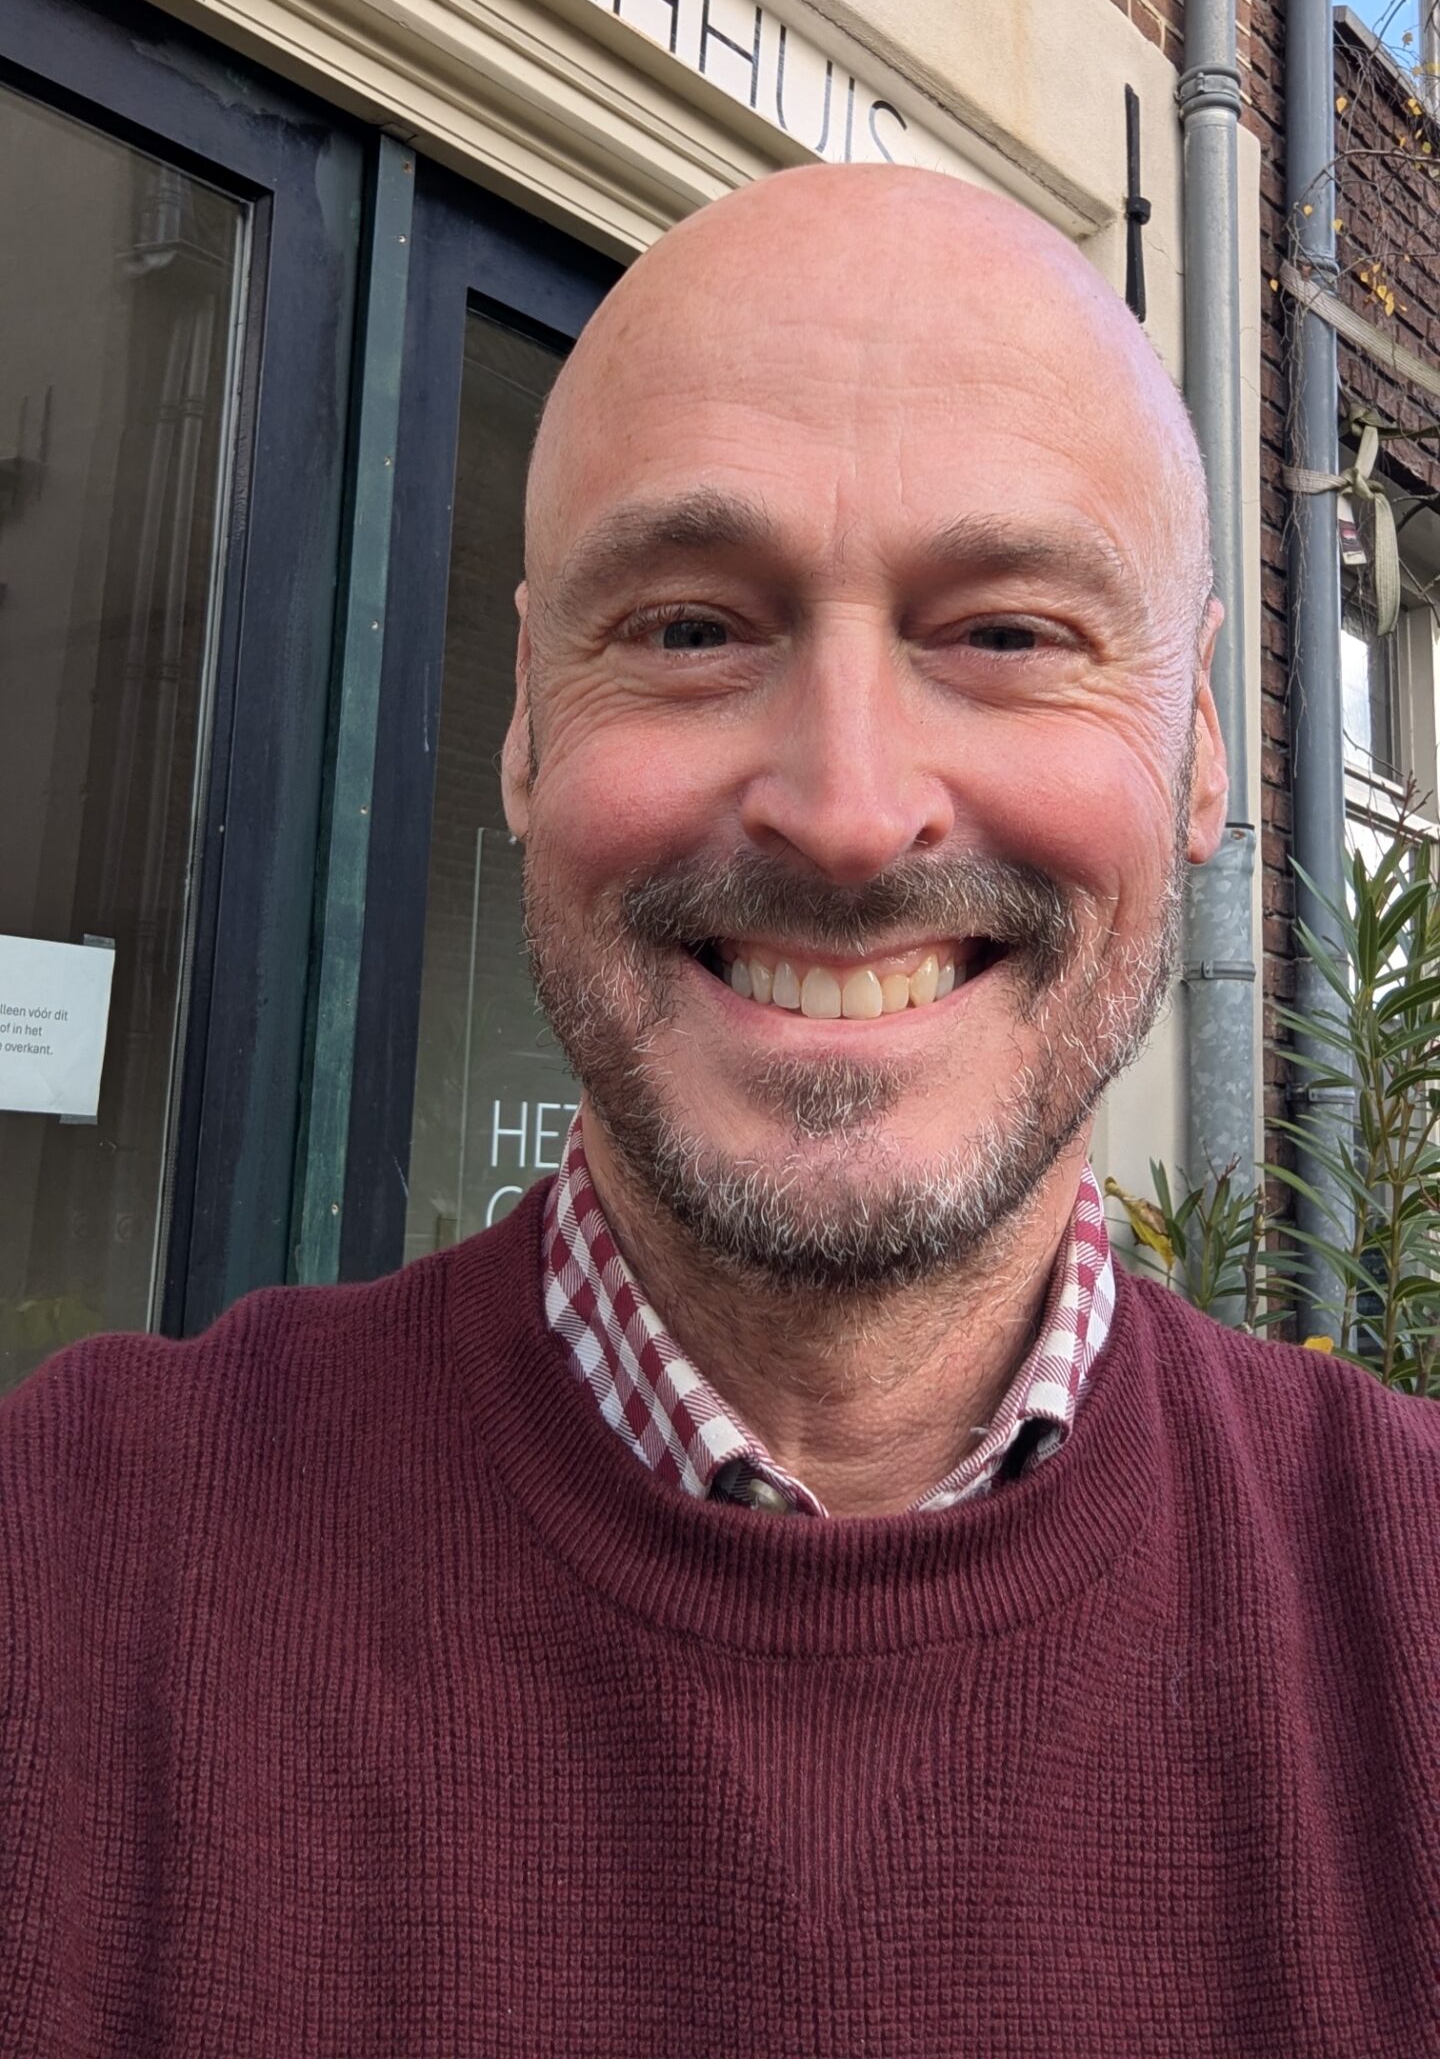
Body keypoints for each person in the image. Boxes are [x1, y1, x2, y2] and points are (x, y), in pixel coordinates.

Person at [2, 165, 1435, 2057]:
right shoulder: (63, 1585)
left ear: (1198, 760)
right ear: (529, 722)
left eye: (1008, 634)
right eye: (690, 629)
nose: (846, 810)